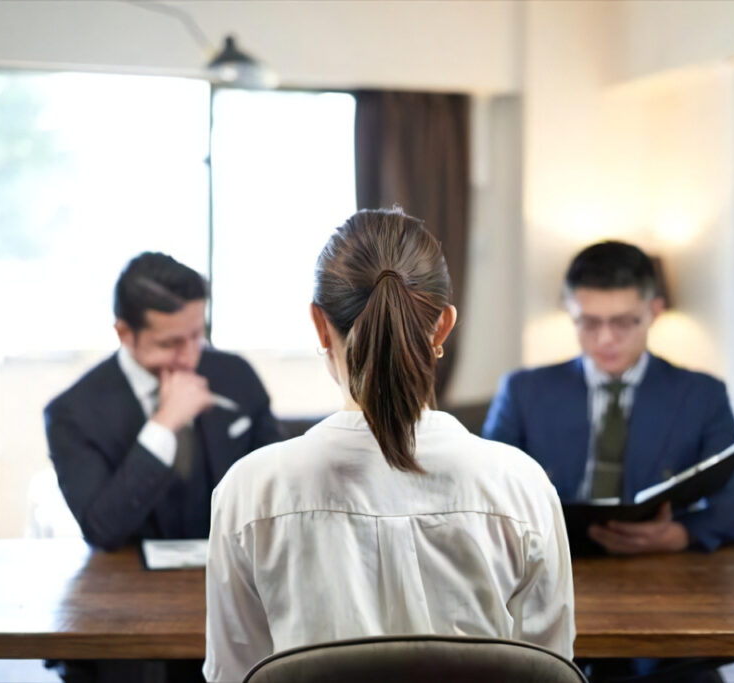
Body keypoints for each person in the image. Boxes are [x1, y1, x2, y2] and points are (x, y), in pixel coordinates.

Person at [203, 208, 575, 682]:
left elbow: (235, 676)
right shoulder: (521, 485)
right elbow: (548, 670)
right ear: (443, 327)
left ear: (320, 325)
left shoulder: (249, 490)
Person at [483, 240, 734, 555]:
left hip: (662, 573)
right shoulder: (523, 391)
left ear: (654, 311)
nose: (605, 339)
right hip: (544, 562)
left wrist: (679, 535)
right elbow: (485, 495)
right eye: (589, 323)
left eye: (624, 322)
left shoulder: (702, 394)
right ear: (570, 311)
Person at [46, 252, 281, 551]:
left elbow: (276, 485)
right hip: (130, 584)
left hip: (237, 569)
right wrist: (164, 423)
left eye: (196, 335)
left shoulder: (236, 374)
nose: (189, 357)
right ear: (125, 333)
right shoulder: (72, 414)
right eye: (169, 344)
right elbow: (101, 529)